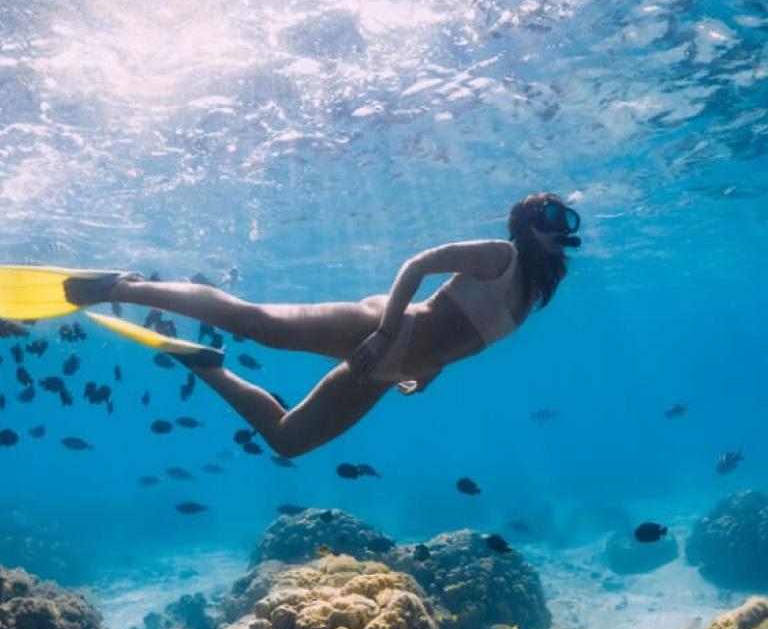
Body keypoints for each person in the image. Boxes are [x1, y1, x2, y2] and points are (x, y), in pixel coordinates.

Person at [1, 193, 580, 456]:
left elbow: (464, 334)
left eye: (566, 218)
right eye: (551, 215)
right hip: (383, 330)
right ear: (525, 225)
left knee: (288, 440)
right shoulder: (499, 256)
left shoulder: (528, 296)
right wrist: (385, 331)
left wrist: (431, 371)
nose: (562, 224)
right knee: (257, 324)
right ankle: (119, 286)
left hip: (394, 366)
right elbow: (421, 265)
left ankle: (203, 365)